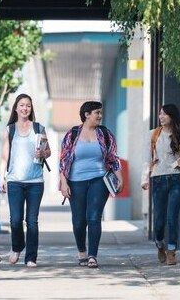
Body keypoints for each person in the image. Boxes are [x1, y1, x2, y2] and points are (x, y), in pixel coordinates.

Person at [59, 101, 122, 269]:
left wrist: (119, 177)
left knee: (94, 217)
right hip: (75, 181)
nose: (100, 116)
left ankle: (93, 255)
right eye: (97, 113)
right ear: (86, 115)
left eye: (100, 113)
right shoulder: (72, 134)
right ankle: (82, 251)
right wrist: (64, 183)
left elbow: (113, 158)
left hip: (99, 181)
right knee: (79, 221)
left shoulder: (105, 134)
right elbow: (63, 160)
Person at [0, 94, 51, 267]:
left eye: (28, 105)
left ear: (31, 108)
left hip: (35, 181)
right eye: (21, 105)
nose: (25, 108)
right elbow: (4, 157)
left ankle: (30, 257)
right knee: (15, 220)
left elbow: (48, 151)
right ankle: (17, 246)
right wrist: (2, 177)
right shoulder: (9, 130)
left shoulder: (38, 128)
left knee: (32, 221)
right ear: (16, 108)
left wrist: (42, 153)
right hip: (14, 180)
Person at [141, 104, 180, 265]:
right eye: (160, 114)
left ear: (172, 116)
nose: (161, 117)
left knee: (172, 217)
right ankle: (159, 244)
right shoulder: (153, 135)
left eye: (164, 114)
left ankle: (172, 251)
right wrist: (144, 179)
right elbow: (146, 159)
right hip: (158, 179)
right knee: (159, 221)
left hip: (177, 178)